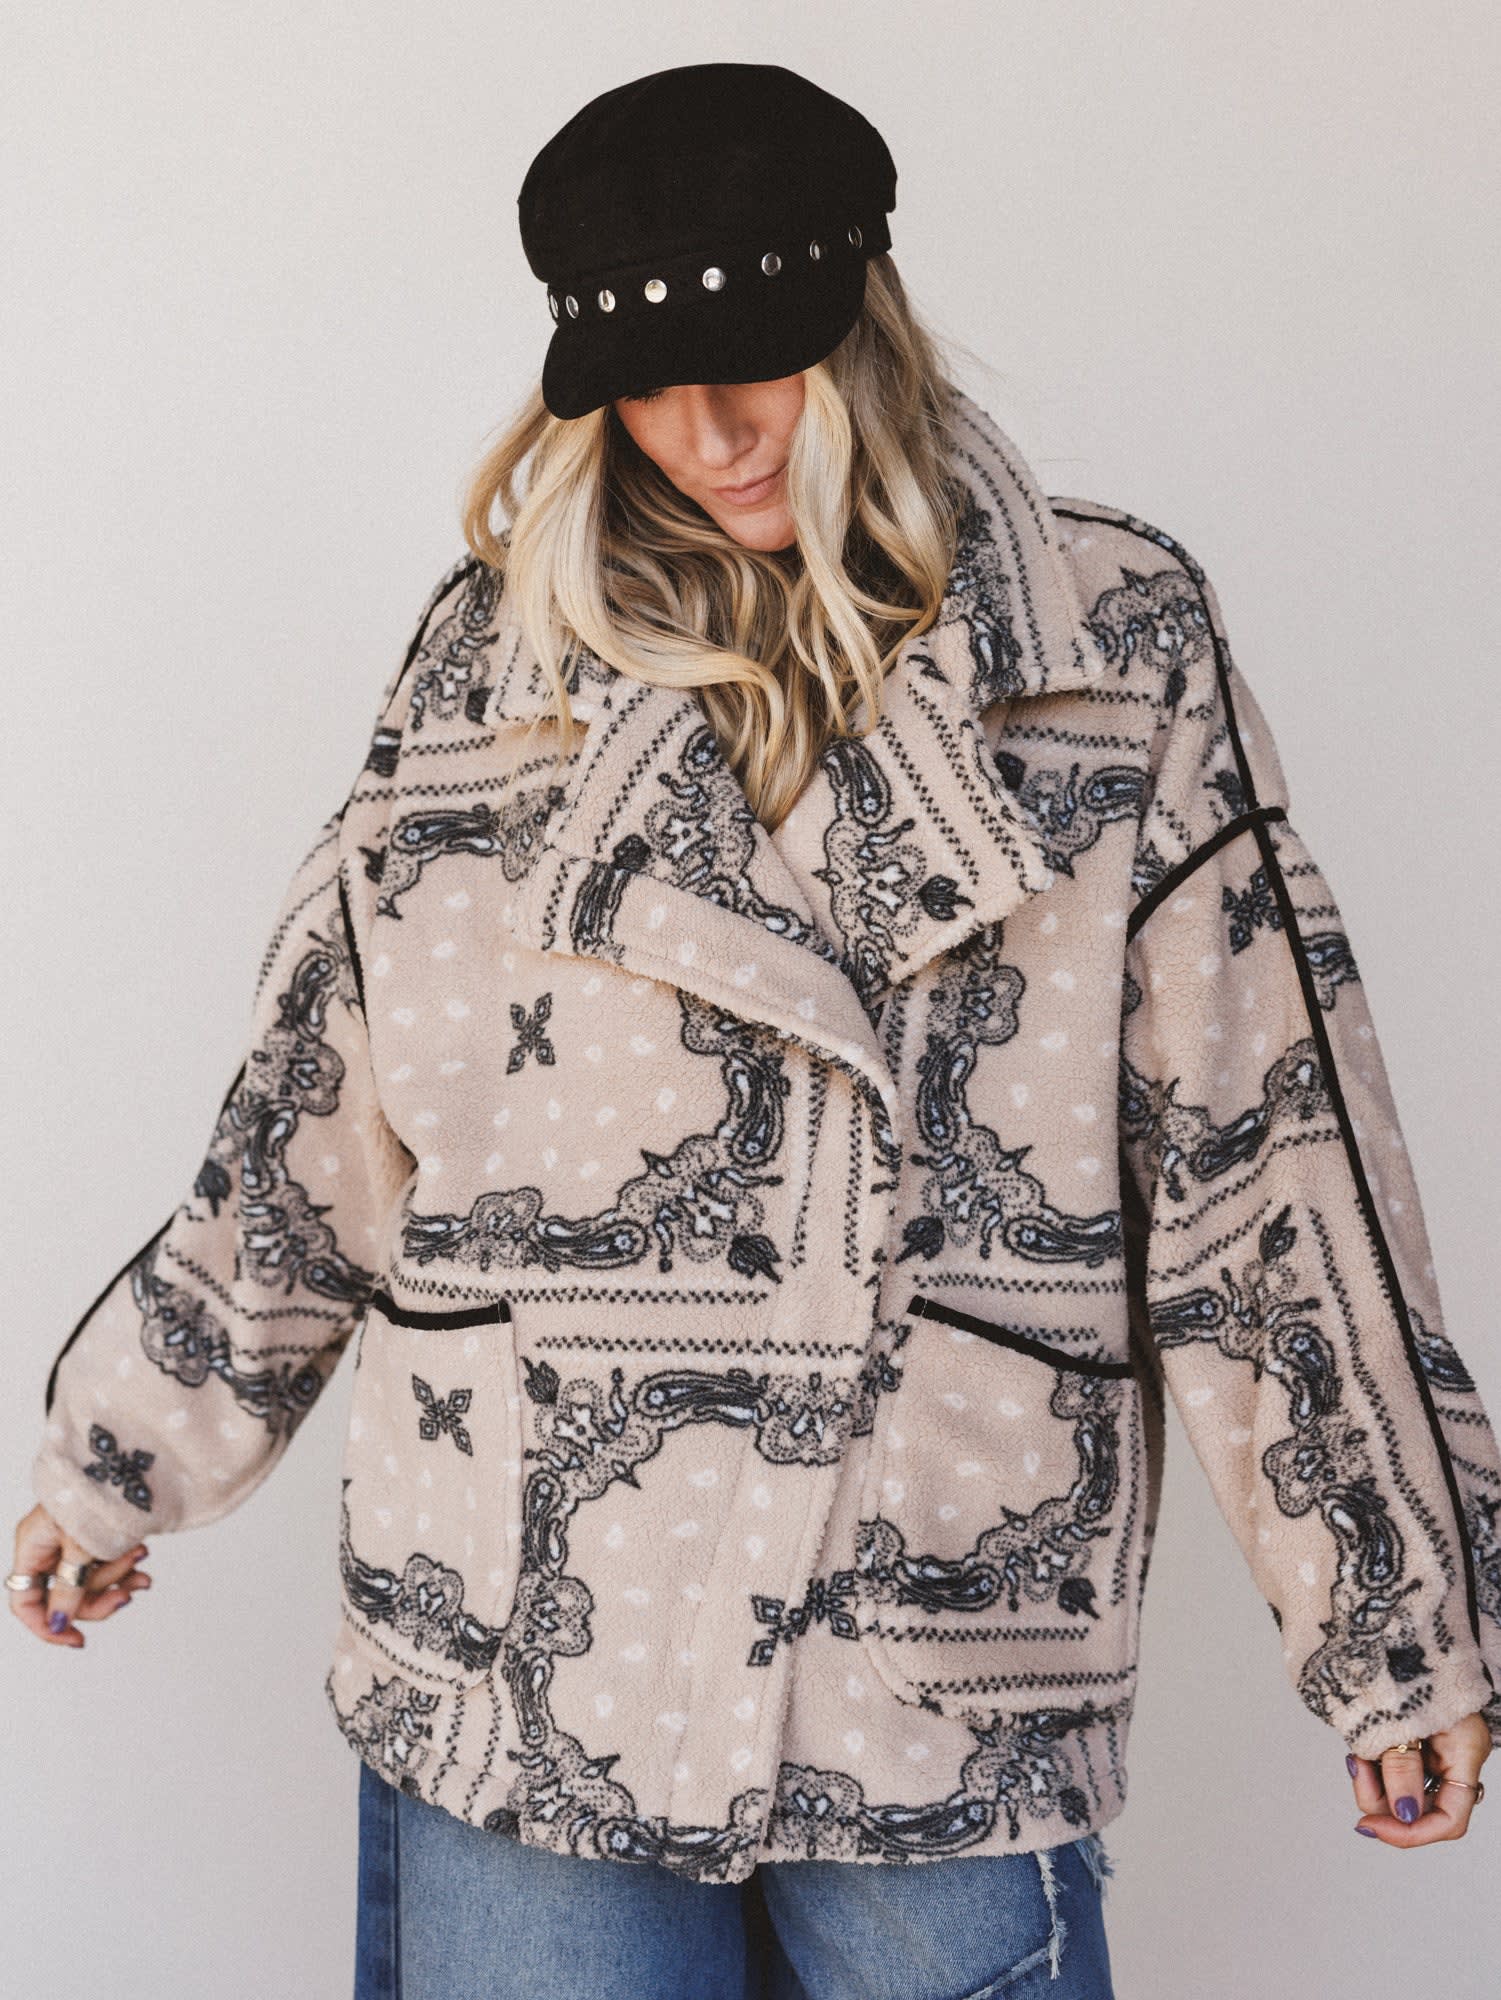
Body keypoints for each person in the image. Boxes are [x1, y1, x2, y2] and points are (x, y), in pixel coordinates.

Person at [12, 58, 1498, 2000]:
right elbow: (322, 1114)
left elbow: (1265, 1151)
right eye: (642, 381)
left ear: (864, 322)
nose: (705, 432)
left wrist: (1396, 1625)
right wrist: (120, 1456)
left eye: (758, 364)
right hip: (526, 1652)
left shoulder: (1108, 647)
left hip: (936, 1651)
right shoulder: (490, 664)